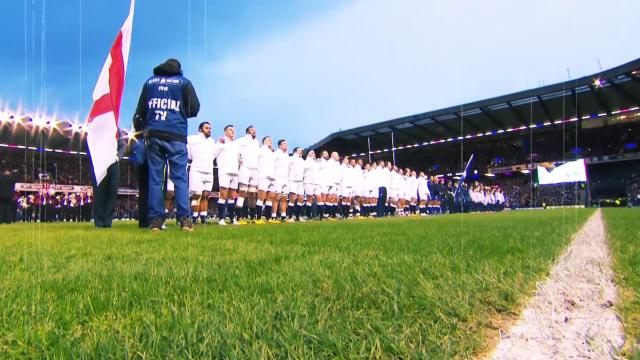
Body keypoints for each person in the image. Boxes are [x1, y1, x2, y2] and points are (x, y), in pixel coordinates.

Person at [134, 58, 200, 231]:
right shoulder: (184, 83)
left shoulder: (150, 82)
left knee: (156, 179)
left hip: (154, 134)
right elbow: (194, 109)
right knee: (179, 178)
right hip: (176, 135)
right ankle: (184, 219)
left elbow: (140, 112)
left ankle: (156, 220)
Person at [89, 128, 126, 228]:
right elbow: (90, 143)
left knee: (112, 193)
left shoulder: (116, 129)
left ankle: (107, 221)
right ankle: (99, 221)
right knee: (99, 193)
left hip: (113, 164)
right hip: (100, 163)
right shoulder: (98, 127)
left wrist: (117, 157)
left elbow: (123, 146)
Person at [187, 121, 215, 225]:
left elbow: (213, 155)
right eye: (207, 128)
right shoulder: (191, 139)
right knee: (197, 195)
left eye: (210, 128)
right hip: (197, 170)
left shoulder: (212, 141)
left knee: (205, 195)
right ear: (200, 129)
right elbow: (188, 155)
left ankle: (203, 217)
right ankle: (194, 217)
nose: (209, 130)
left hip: (209, 171)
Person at [213, 125, 241, 226]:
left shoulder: (236, 145)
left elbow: (238, 158)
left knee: (232, 197)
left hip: (235, 172)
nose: (232, 131)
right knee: (223, 195)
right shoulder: (221, 142)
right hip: (224, 171)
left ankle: (232, 219)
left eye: (233, 130)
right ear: (225, 132)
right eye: (230, 129)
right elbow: (213, 154)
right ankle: (221, 219)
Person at [236, 125, 261, 223]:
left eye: (255, 130)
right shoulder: (242, 140)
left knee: (252, 194)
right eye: (252, 130)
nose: (254, 132)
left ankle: (252, 217)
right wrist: (238, 159)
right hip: (245, 168)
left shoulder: (257, 142)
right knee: (242, 192)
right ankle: (238, 217)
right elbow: (234, 149)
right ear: (247, 132)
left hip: (255, 170)